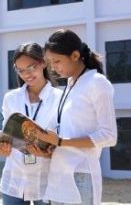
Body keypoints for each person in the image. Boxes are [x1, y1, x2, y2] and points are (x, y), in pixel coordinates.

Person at [36, 29, 117, 205]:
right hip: (59, 176)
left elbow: (109, 136)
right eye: (50, 63)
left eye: (57, 61)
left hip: (81, 175)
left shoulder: (97, 82)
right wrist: (50, 146)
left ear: (75, 55)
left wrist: (61, 142)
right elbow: (67, 132)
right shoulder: (69, 86)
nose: (53, 67)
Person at [0, 42, 61, 204]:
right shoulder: (11, 99)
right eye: (20, 70)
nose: (26, 74)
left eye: (31, 67)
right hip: (15, 179)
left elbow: (64, 141)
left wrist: (48, 151)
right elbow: (8, 133)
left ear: (43, 62)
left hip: (47, 180)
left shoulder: (60, 99)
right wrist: (3, 148)